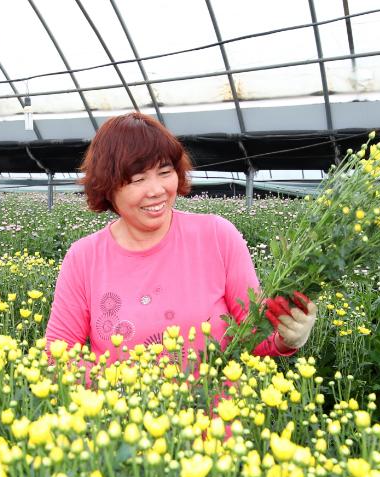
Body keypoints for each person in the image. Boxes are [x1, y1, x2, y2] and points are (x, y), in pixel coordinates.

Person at [44, 112, 316, 365]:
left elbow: (253, 333)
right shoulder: (85, 257)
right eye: (138, 180)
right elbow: (59, 356)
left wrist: (286, 337)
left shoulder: (217, 236)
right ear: (107, 186)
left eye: (165, 173)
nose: (157, 190)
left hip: (216, 413)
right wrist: (124, 392)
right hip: (120, 414)